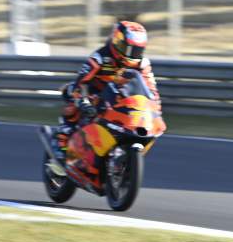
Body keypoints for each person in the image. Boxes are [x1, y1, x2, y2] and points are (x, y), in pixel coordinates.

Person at [54, 20, 159, 158]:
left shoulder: (142, 63)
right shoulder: (100, 57)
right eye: (128, 49)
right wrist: (83, 100)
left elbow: (151, 87)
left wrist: (155, 106)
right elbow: (82, 81)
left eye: (137, 50)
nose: (132, 54)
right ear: (117, 42)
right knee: (73, 100)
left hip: (122, 96)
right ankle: (62, 142)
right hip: (94, 92)